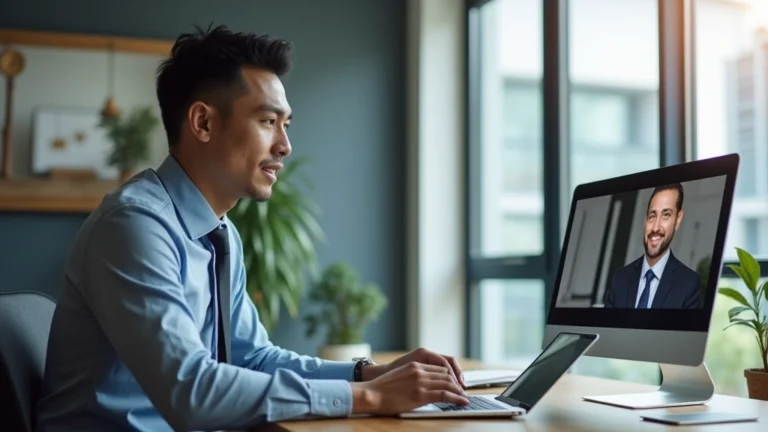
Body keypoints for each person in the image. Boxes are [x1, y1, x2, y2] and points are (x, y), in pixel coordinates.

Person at [35, 25, 469, 432]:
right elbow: (190, 391)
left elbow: (253, 358)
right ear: (203, 122)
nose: (285, 145)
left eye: (286, 124)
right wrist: (369, 396)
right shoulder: (133, 226)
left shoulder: (219, 234)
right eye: (267, 121)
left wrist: (370, 372)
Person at [603, 183, 702, 309]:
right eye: (652, 216)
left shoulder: (689, 283)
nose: (655, 227)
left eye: (666, 215)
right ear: (645, 220)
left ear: (678, 219)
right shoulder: (620, 278)